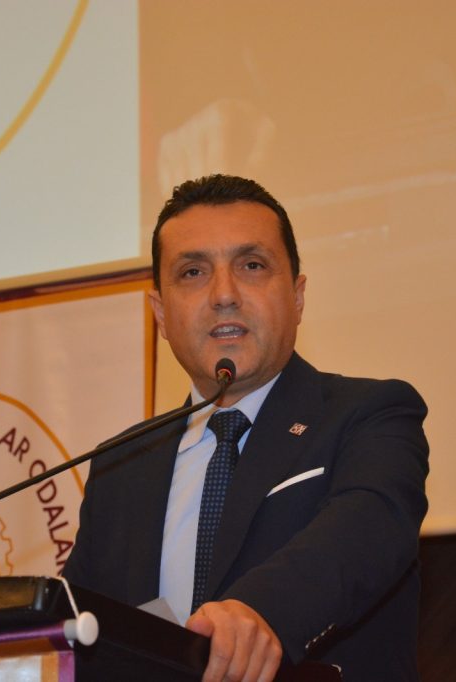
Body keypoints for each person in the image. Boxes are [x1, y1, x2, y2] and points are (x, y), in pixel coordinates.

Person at [62, 174, 429, 681]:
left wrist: (261, 611)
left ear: (297, 296)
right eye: (193, 272)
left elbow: (369, 528)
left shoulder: (369, 415)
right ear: (160, 313)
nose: (224, 295)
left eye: (251, 265)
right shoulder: (121, 464)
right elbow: (80, 634)